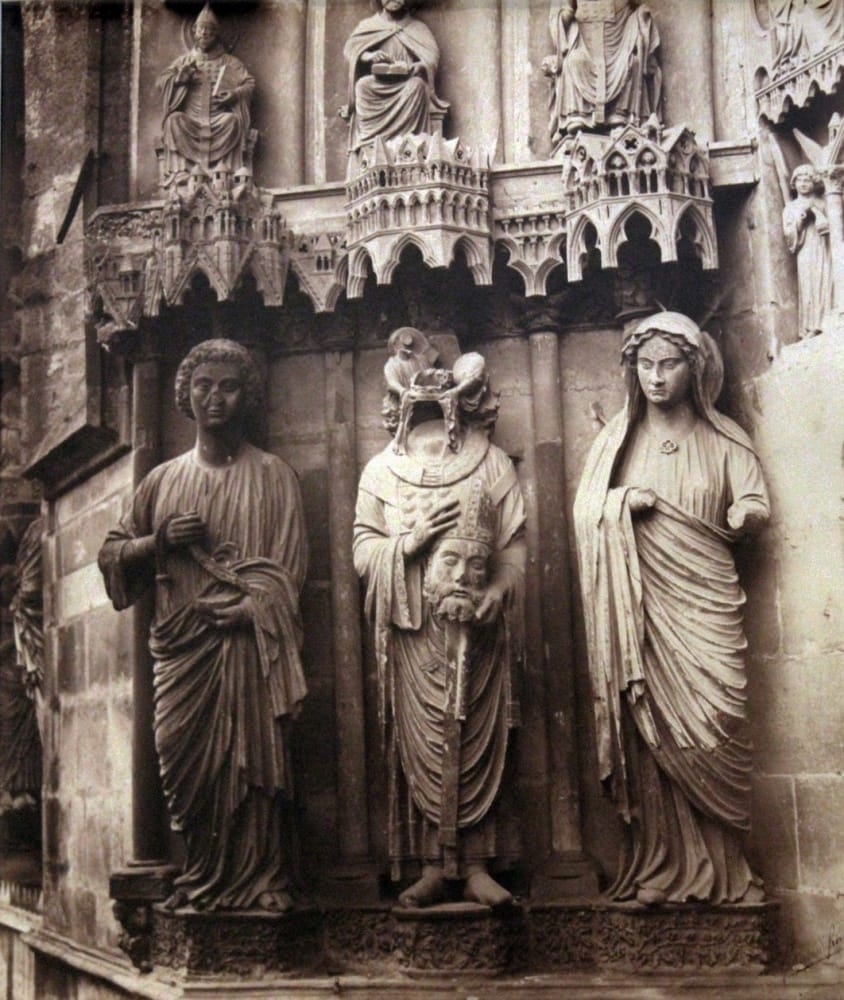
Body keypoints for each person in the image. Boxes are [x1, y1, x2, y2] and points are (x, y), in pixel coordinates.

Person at [99, 339, 308, 912]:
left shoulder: (275, 477)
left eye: (229, 386)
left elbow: (289, 573)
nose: (215, 398)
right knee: (184, 767)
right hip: (181, 655)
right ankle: (198, 873)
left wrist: (250, 611)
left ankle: (263, 880)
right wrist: (158, 540)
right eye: (203, 386)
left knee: (255, 767)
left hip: (247, 652)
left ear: (248, 396)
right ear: (184, 395)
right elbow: (112, 557)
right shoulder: (161, 482)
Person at [573, 311, 769, 905]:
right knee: (651, 726)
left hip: (705, 605)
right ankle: (661, 865)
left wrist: (748, 514)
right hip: (642, 616)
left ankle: (727, 872)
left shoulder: (724, 438)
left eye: (670, 364)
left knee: (714, 719)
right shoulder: (616, 443)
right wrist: (620, 504)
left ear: (696, 366)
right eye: (645, 365)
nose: (656, 378)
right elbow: (587, 513)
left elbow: (754, 497)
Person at [353, 352, 525, 908]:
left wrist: (498, 592)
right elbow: (363, 550)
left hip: (479, 626)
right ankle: (430, 863)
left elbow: (515, 548)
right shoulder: (381, 471)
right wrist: (408, 543)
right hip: (413, 628)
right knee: (419, 738)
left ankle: (477, 863)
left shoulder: (492, 461)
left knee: (479, 732)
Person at [543, 0, 662, 148]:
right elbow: (561, 13)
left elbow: (635, 4)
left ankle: (619, 115)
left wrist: (640, 15)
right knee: (574, 62)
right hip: (584, 41)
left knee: (631, 63)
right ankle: (578, 116)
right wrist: (565, 15)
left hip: (619, 36)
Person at [157, 4, 255, 176]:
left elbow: (249, 83)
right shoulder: (184, 61)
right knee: (174, 120)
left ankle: (224, 171)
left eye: (209, 30)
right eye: (201, 29)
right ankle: (182, 172)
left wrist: (234, 95)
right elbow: (161, 82)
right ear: (194, 31)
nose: (204, 34)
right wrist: (180, 79)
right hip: (191, 120)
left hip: (219, 120)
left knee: (232, 121)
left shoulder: (230, 62)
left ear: (216, 34)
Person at [341, 0, 443, 154]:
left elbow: (431, 56)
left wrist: (418, 66)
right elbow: (351, 50)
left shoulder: (417, 27)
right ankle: (369, 146)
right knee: (362, 85)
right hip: (378, 83)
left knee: (418, 86)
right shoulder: (369, 25)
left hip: (407, 83)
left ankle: (409, 148)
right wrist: (369, 56)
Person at [782, 164, 832, 338]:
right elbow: (789, 235)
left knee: (825, 280)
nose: (803, 183)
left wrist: (819, 215)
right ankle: (811, 325)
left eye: (807, 179)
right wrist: (801, 220)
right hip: (805, 249)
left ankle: (826, 320)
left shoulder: (823, 202)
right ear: (794, 183)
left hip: (824, 247)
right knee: (809, 283)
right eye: (799, 180)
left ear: (814, 182)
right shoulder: (790, 207)